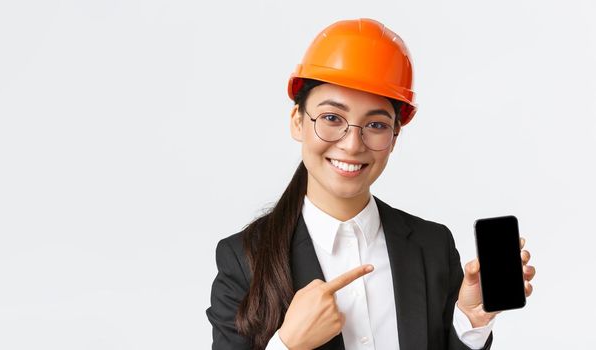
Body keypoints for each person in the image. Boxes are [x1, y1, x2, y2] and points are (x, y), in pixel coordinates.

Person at [205, 18, 536, 350]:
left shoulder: (433, 246)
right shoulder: (243, 260)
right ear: (298, 122)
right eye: (332, 118)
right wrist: (288, 344)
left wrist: (471, 319)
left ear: (394, 138)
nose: (352, 144)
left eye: (375, 124)